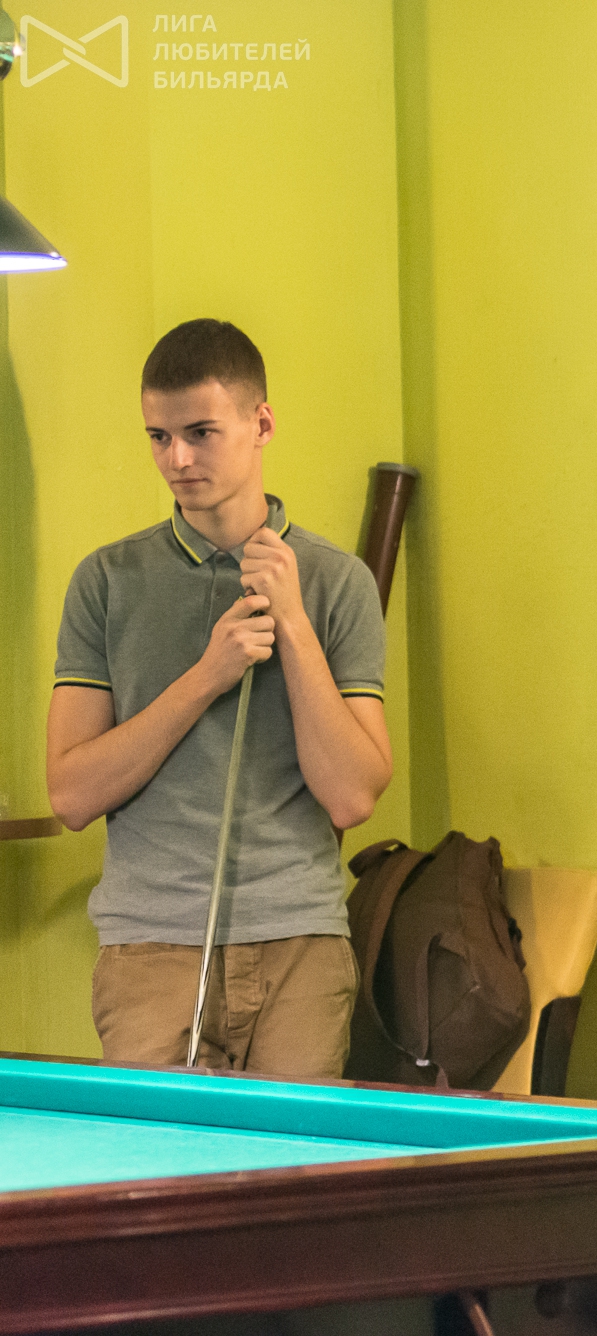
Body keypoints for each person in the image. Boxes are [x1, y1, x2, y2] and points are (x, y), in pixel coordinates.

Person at [46, 318, 392, 1077]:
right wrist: (208, 673)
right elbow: (71, 794)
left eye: (200, 432)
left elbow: (352, 796)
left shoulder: (338, 583)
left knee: (290, 1158)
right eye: (159, 436)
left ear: (261, 423)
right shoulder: (106, 582)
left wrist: (293, 625)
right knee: (157, 1159)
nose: (177, 459)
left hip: (299, 943)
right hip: (151, 948)